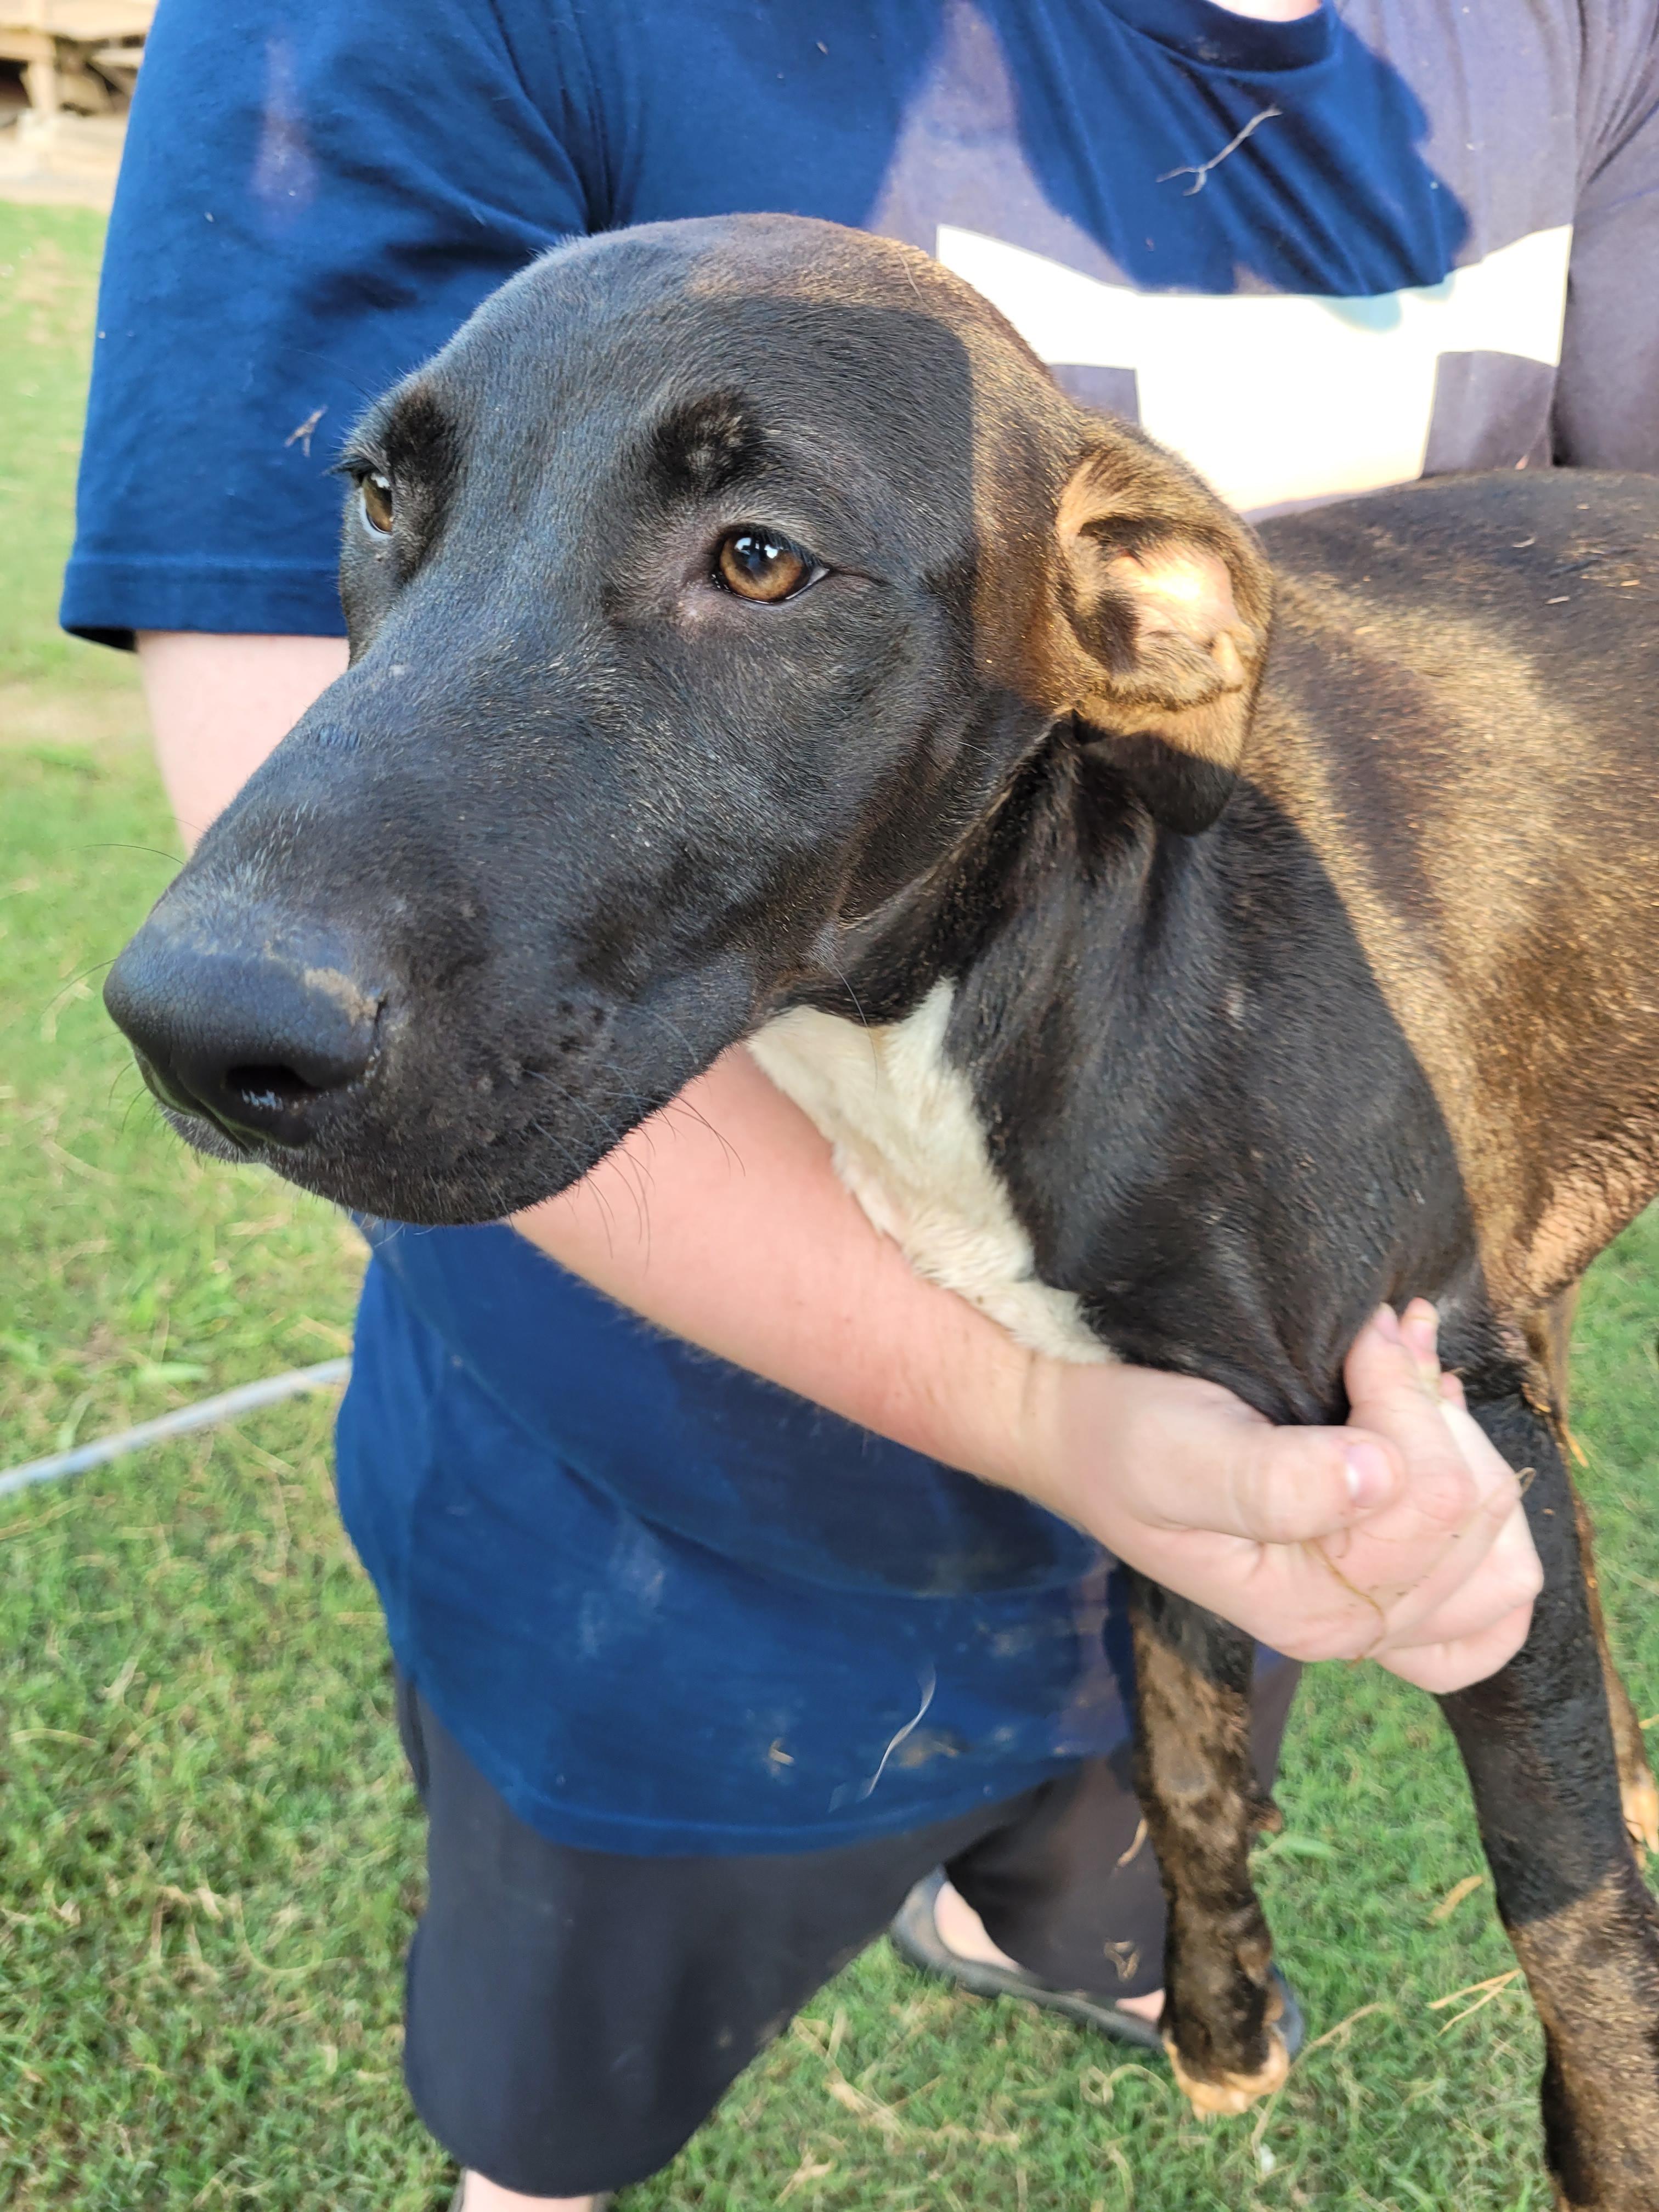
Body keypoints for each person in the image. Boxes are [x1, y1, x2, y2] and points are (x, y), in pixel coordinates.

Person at [63, 0, 1656, 2203]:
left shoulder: (1583, 30)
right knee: (561, 2080)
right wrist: (1064, 1430)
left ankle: (1077, 1931)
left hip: (1184, 1360)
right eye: (398, 502)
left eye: (750, 557)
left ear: (1148, 623)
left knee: (1117, 1824)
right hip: (651, 1535)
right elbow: (271, 768)